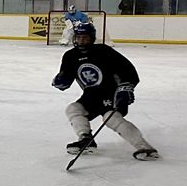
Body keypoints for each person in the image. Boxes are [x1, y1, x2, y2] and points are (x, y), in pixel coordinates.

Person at [52, 22, 158, 160]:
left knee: (111, 119)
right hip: (90, 96)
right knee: (73, 109)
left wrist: (125, 89)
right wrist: (61, 81)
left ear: (92, 38)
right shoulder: (70, 56)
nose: (81, 41)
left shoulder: (103, 51)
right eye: (78, 37)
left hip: (112, 94)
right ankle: (86, 139)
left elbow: (128, 71)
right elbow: (66, 78)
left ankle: (145, 147)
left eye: (85, 38)